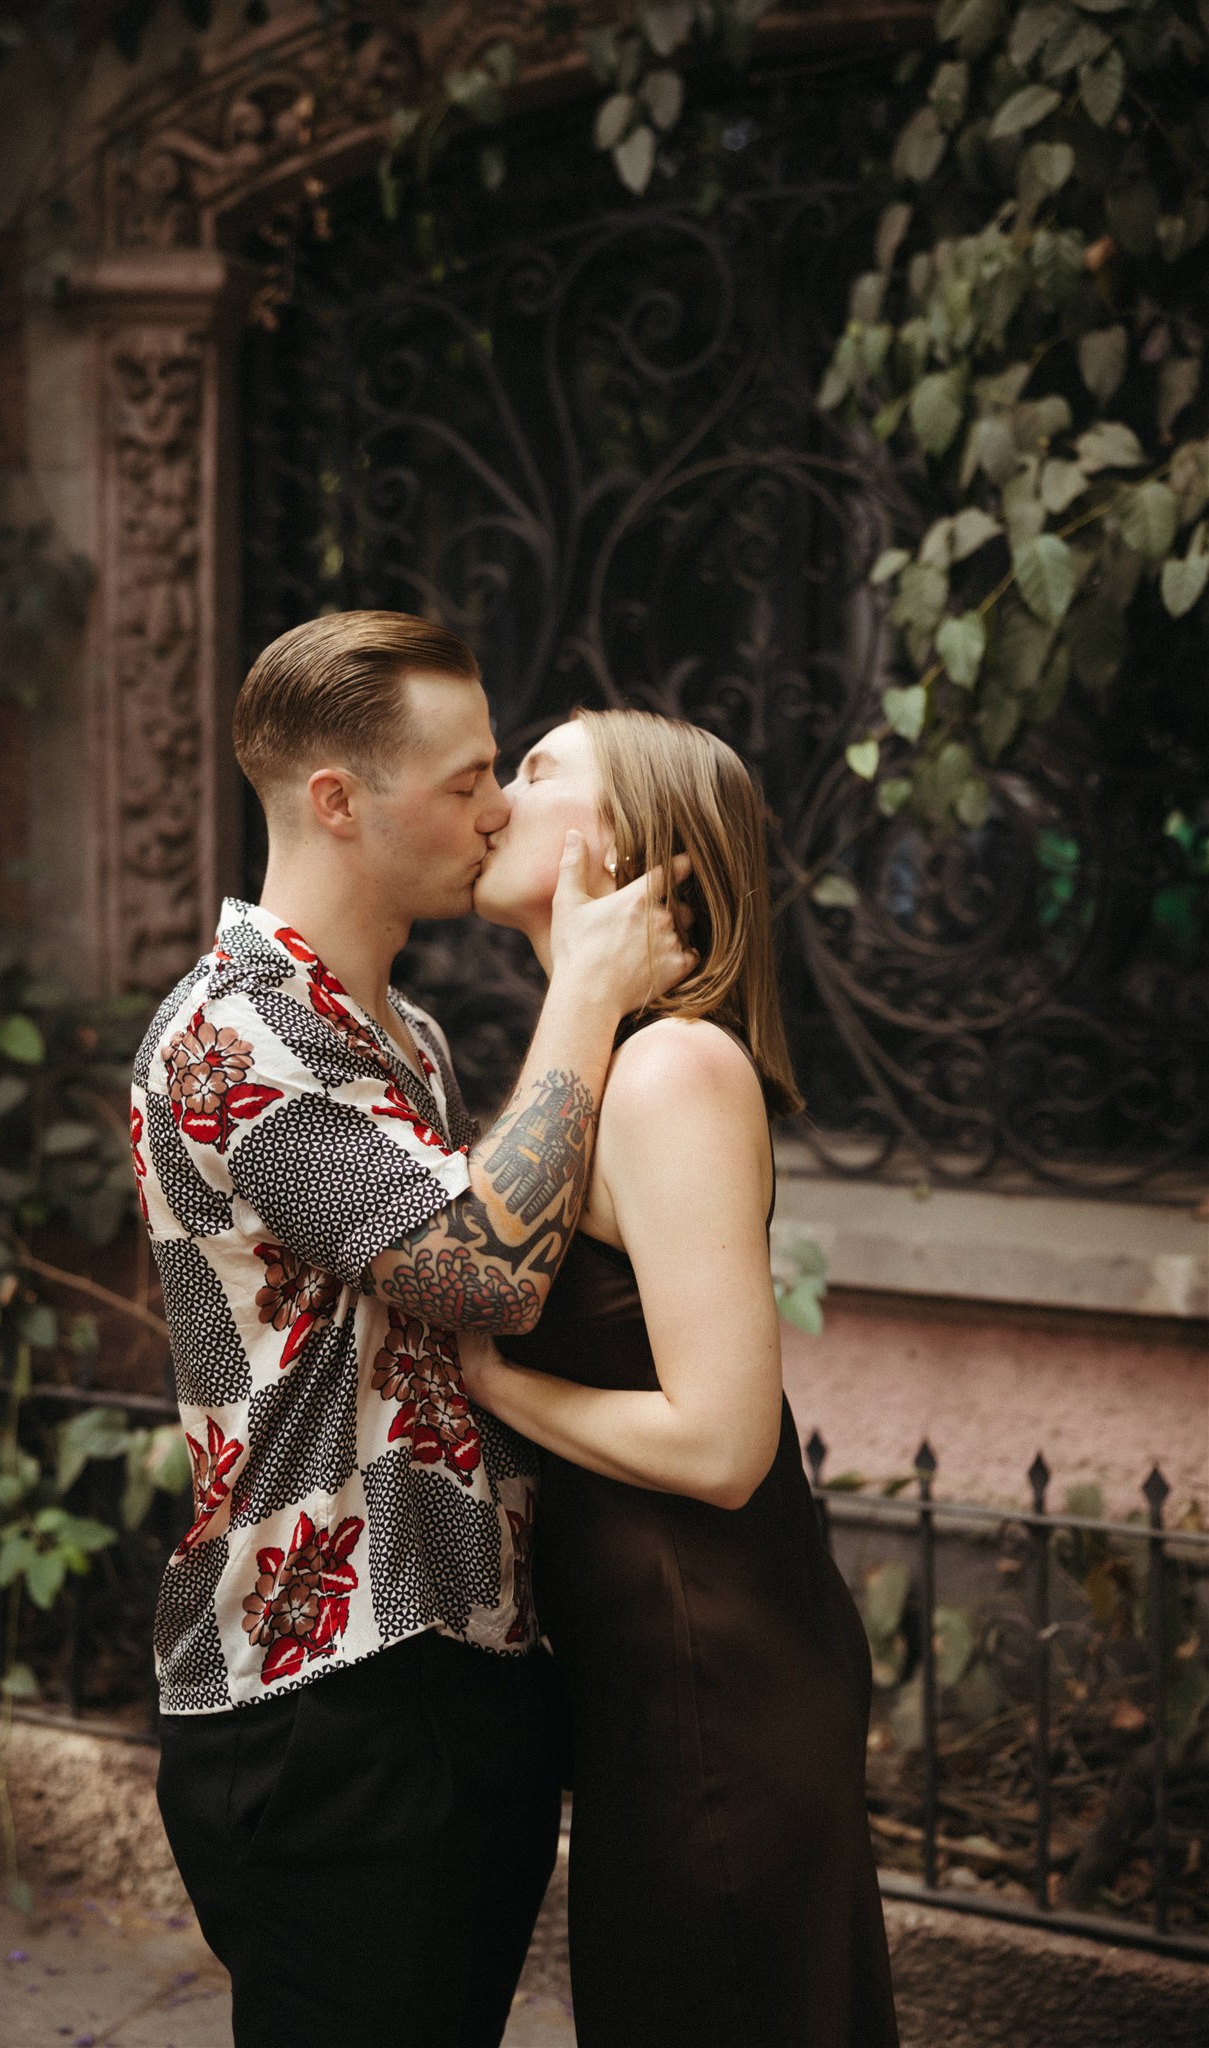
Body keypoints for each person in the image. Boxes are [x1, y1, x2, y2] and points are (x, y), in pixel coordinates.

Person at [131, 613, 695, 2048]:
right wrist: (582, 987)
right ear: (336, 800)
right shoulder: (233, 1037)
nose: (496, 807)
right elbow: (485, 1276)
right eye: (463, 781)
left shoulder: (408, 1037)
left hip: (451, 1665)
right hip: (326, 1692)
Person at [461, 707, 900, 2048]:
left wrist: (490, 1385)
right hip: (654, 1673)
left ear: (649, 858)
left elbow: (721, 1443)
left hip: (717, 1673)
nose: (493, 794)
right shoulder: (600, 1061)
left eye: (537, 773)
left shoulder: (669, 1069)